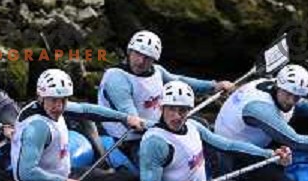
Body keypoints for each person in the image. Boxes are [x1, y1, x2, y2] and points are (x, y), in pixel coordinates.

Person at [139, 81, 295, 181]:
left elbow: (228, 145)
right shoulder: (155, 143)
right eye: (171, 109)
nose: (177, 116)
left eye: (183, 110)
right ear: (161, 107)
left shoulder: (193, 126)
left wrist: (268, 153)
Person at [11, 69, 146, 181]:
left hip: (64, 176)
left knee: (121, 176)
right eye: (54, 100)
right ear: (41, 97)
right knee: (130, 179)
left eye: (63, 100)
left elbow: (86, 109)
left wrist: (125, 118)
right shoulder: (38, 128)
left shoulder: (47, 107)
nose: (59, 106)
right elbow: (25, 173)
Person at [98, 30, 234, 163]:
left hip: (158, 126)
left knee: (202, 125)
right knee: (162, 156)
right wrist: (167, 128)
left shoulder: (157, 71)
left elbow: (180, 81)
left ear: (154, 60)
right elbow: (131, 118)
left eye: (147, 58)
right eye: (137, 54)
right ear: (129, 51)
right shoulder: (116, 78)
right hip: (129, 139)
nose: (140, 61)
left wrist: (213, 86)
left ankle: (213, 169)